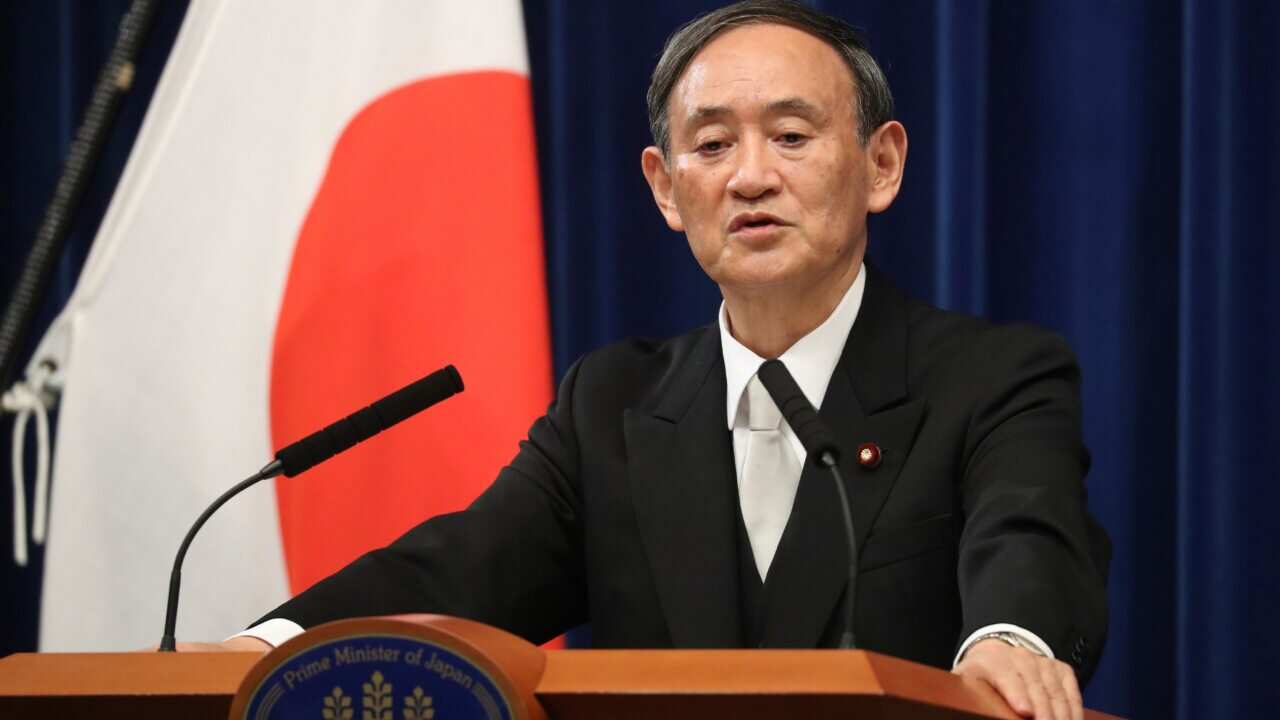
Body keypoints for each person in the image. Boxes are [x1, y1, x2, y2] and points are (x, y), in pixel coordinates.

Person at [198, 3, 1110, 718]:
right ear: (667, 189)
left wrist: (1011, 637)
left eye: (791, 137)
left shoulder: (993, 379)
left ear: (882, 164)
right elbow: (462, 570)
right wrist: (271, 644)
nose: (750, 176)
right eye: (712, 145)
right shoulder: (612, 407)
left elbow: (1029, 535)